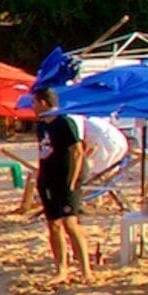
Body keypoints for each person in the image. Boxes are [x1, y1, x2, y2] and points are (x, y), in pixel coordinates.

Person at [33, 104, 96, 278]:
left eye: (34, 103)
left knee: (70, 224)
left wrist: (73, 179)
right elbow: (43, 152)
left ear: (43, 103)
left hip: (66, 179)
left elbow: (77, 151)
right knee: (53, 225)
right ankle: (61, 269)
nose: (33, 107)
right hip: (48, 179)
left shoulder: (65, 122)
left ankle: (86, 270)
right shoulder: (41, 125)